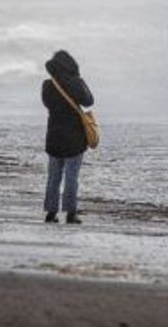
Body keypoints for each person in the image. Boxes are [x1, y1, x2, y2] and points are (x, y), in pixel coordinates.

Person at [41, 50, 94, 224]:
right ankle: (71, 213)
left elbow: (48, 104)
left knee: (53, 177)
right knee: (72, 177)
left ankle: (51, 212)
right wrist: (80, 82)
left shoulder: (47, 85)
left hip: (54, 136)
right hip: (75, 138)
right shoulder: (76, 83)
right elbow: (89, 101)